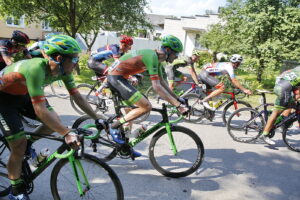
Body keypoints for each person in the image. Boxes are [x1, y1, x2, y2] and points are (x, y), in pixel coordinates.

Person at [0, 35, 104, 200]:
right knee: (18, 147)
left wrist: (98, 117)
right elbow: (40, 109)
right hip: (4, 99)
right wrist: (66, 133)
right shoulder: (36, 68)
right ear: (59, 58)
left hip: (24, 93)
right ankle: (15, 191)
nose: (77, 62)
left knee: (54, 122)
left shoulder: (63, 70)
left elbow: (78, 97)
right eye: (75, 58)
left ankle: (29, 144)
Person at [104, 35, 189, 157]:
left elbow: (163, 84)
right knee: (146, 106)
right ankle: (114, 126)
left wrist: (177, 99)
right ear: (168, 50)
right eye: (176, 54)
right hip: (116, 78)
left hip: (123, 78)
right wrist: (178, 105)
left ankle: (126, 146)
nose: (177, 57)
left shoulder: (158, 61)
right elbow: (156, 87)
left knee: (130, 113)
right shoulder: (152, 56)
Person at [260, 66, 300, 145]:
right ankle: (265, 134)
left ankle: (276, 117)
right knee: (277, 112)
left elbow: (287, 72)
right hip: (284, 89)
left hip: (281, 84)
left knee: (291, 104)